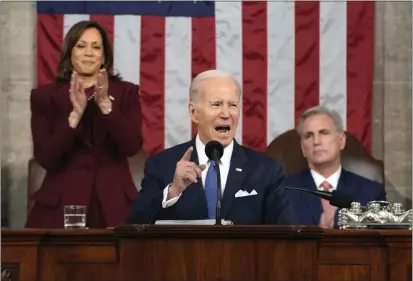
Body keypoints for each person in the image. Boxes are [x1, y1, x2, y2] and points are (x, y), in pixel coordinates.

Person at [126, 70, 296, 225]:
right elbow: (135, 227)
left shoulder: (265, 170)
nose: (226, 114)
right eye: (216, 104)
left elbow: (288, 233)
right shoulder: (162, 165)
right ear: (194, 113)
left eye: (232, 105)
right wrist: (173, 192)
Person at [25, 21, 142, 228]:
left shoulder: (127, 93)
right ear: (69, 52)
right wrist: (74, 117)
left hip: (114, 205)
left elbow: (132, 146)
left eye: (96, 47)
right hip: (61, 205)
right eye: (81, 46)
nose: (89, 53)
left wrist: (106, 106)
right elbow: (45, 157)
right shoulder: (44, 97)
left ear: (104, 56)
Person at [285, 106, 387, 228]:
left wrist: (340, 220)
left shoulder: (372, 193)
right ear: (302, 148)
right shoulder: (282, 192)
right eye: (309, 135)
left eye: (324, 133)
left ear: (341, 140)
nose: (316, 141)